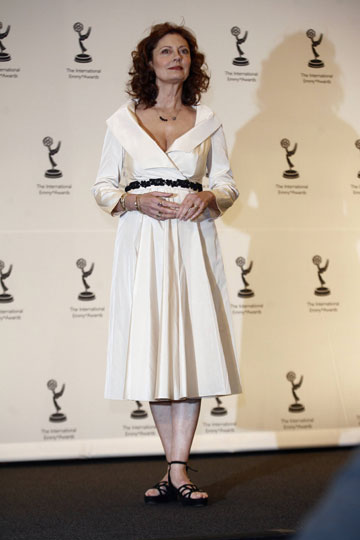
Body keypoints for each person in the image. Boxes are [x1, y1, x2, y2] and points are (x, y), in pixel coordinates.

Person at [92, 22, 241, 507]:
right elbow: (103, 187)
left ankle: (178, 469)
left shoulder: (208, 121)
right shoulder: (123, 121)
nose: (175, 57)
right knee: (155, 347)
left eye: (183, 51)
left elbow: (227, 185)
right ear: (149, 61)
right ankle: (172, 465)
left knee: (192, 345)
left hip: (194, 240)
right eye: (165, 50)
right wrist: (135, 204)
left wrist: (207, 195)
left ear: (191, 63)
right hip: (144, 243)